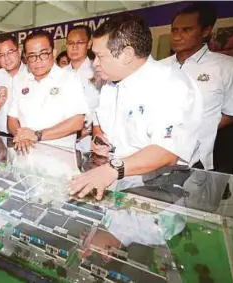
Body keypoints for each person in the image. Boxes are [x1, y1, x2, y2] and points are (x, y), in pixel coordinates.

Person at [69, 13, 203, 200]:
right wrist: (100, 140)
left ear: (127, 55)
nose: (95, 63)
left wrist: (111, 170)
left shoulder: (171, 85)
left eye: (100, 56)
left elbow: (166, 151)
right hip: (120, 179)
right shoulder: (110, 83)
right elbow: (101, 124)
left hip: (161, 188)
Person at [160, 2, 233, 171]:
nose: (177, 37)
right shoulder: (159, 67)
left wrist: (199, 130)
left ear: (206, 31)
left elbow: (232, 113)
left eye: (186, 30)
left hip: (200, 160)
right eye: (174, 30)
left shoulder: (227, 67)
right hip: (157, 154)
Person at [8, 30, 89, 152]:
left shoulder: (69, 78)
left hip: (59, 160)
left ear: (54, 53)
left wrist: (37, 135)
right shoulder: (20, 81)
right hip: (25, 157)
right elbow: (12, 119)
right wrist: (20, 135)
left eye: (43, 54)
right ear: (25, 58)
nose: (38, 60)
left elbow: (77, 122)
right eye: (32, 56)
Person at [65, 25, 100, 154]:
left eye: (80, 42)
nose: (74, 47)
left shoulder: (98, 71)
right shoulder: (59, 74)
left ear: (89, 44)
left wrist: (88, 130)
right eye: (70, 43)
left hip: (90, 140)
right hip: (64, 139)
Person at [0, 34, 28, 137]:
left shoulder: (32, 75)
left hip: (27, 137)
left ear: (19, 51)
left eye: (10, 52)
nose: (6, 58)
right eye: (1, 55)